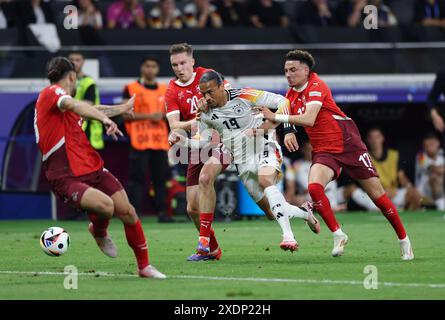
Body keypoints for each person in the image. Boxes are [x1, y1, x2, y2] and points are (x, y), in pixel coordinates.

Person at [256, 49, 414, 260]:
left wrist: (278, 118)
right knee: (314, 188)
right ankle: (338, 234)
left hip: (349, 144)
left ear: (306, 70)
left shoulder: (316, 86)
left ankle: (404, 240)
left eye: (293, 70)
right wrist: (255, 125)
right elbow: (276, 121)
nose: (288, 74)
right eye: (285, 70)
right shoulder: (290, 94)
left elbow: (309, 118)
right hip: (323, 150)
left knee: (378, 196)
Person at [34, 56, 165, 278]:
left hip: (92, 168)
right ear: (73, 76)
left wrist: (121, 108)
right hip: (65, 175)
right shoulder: (52, 94)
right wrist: (105, 122)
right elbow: (76, 104)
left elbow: (90, 108)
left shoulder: (64, 106)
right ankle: (99, 231)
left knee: (128, 211)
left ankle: (144, 267)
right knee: (106, 207)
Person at [169, 70, 321, 254]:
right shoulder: (206, 113)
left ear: (221, 86)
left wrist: (277, 123)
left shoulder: (244, 95)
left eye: (210, 92)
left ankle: (288, 236)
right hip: (242, 160)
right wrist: (182, 141)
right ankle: (306, 213)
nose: (206, 97)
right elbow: (203, 142)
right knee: (272, 213)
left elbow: (283, 101)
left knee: (266, 181)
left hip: (263, 145)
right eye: (203, 94)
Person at [165, 43, 228, 261]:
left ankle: (202, 243)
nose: (179, 68)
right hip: (197, 146)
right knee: (192, 207)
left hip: (223, 140)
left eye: (183, 63)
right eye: (175, 65)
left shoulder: (208, 76)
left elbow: (227, 101)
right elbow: (174, 123)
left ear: (193, 61)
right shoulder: (172, 89)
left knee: (205, 177)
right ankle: (213, 249)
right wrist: (194, 122)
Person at [122, 57, 172, 223]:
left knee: (160, 179)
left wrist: (164, 116)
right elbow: (124, 113)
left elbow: (172, 114)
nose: (150, 69)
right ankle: (133, 214)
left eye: (154, 66)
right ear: (142, 68)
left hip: (159, 141)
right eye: (147, 66)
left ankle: (163, 213)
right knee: (137, 179)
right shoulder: (131, 88)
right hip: (140, 141)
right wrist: (150, 116)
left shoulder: (165, 89)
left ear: (157, 69)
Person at [366, 127, 421, 211]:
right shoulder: (365, 157)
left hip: (394, 193)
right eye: (371, 137)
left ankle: (406, 218)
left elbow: (401, 176)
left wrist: (409, 187)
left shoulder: (394, 155)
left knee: (415, 195)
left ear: (382, 138)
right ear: (367, 140)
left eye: (377, 137)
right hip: (375, 194)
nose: (374, 140)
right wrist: (382, 192)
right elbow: (366, 182)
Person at [68, 52, 104, 150]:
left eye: (77, 60)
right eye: (71, 60)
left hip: (87, 130)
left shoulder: (89, 82)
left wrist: (67, 104)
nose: (74, 62)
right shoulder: (65, 82)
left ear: (83, 62)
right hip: (71, 129)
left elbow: (88, 105)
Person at [415, 133, 444, 210]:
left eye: (432, 144)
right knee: (435, 177)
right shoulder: (421, 156)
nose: (429, 148)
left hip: (441, 188)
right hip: (424, 193)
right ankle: (442, 208)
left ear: (438, 143)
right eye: (427, 145)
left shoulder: (442, 154)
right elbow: (433, 169)